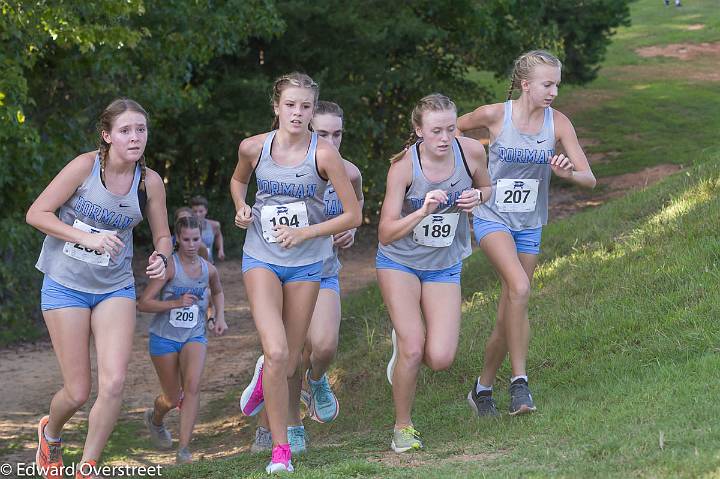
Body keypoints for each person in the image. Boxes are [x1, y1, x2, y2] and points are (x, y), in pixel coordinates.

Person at [26, 99, 172, 479]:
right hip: (65, 285)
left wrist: (161, 257)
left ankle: (87, 468)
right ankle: (51, 433)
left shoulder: (150, 182)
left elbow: (163, 236)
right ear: (107, 136)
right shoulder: (84, 167)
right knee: (77, 391)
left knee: (114, 382)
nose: (135, 137)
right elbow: (36, 213)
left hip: (114, 287)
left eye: (141, 129)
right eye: (125, 130)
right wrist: (83, 238)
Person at [231, 73, 362, 474]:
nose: (298, 113)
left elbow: (354, 213)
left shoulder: (324, 155)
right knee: (277, 351)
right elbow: (238, 181)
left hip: (307, 263)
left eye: (306, 106)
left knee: (288, 363)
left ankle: (263, 380)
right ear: (277, 106)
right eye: (291, 105)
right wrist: (240, 206)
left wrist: (307, 231)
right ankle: (281, 451)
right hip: (261, 257)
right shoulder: (253, 147)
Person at [457, 50, 596, 418]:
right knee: (519, 289)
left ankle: (482, 389)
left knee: (511, 311)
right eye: (547, 84)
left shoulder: (559, 123)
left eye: (557, 85)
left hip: (530, 223)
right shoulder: (495, 115)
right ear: (526, 85)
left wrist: (567, 173)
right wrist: (469, 170)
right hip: (492, 217)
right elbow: (451, 130)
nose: (553, 92)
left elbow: (589, 178)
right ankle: (520, 383)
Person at [377, 93, 492, 453]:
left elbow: (487, 187)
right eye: (436, 130)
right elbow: (385, 232)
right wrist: (421, 212)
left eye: (450, 128)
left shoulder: (471, 152)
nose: (445, 138)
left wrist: (480, 197)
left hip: (444, 264)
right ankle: (403, 427)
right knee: (414, 346)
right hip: (400, 261)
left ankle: (407, 344)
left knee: (440, 358)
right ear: (418, 131)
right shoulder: (403, 168)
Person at [138, 215, 227, 464]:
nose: (190, 244)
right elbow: (144, 303)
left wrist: (219, 316)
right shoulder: (169, 268)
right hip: (164, 338)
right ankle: (155, 419)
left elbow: (218, 292)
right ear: (177, 239)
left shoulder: (208, 269)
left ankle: (183, 449)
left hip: (194, 334)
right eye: (185, 239)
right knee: (173, 397)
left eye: (195, 239)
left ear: (202, 239)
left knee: (193, 387)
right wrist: (175, 303)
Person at [190, 195, 225, 262]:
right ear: (191, 211)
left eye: (201, 211)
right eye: (195, 211)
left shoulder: (214, 225)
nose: (198, 214)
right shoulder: (186, 227)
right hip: (191, 265)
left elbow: (218, 235)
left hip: (208, 263)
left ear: (206, 211)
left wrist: (221, 249)